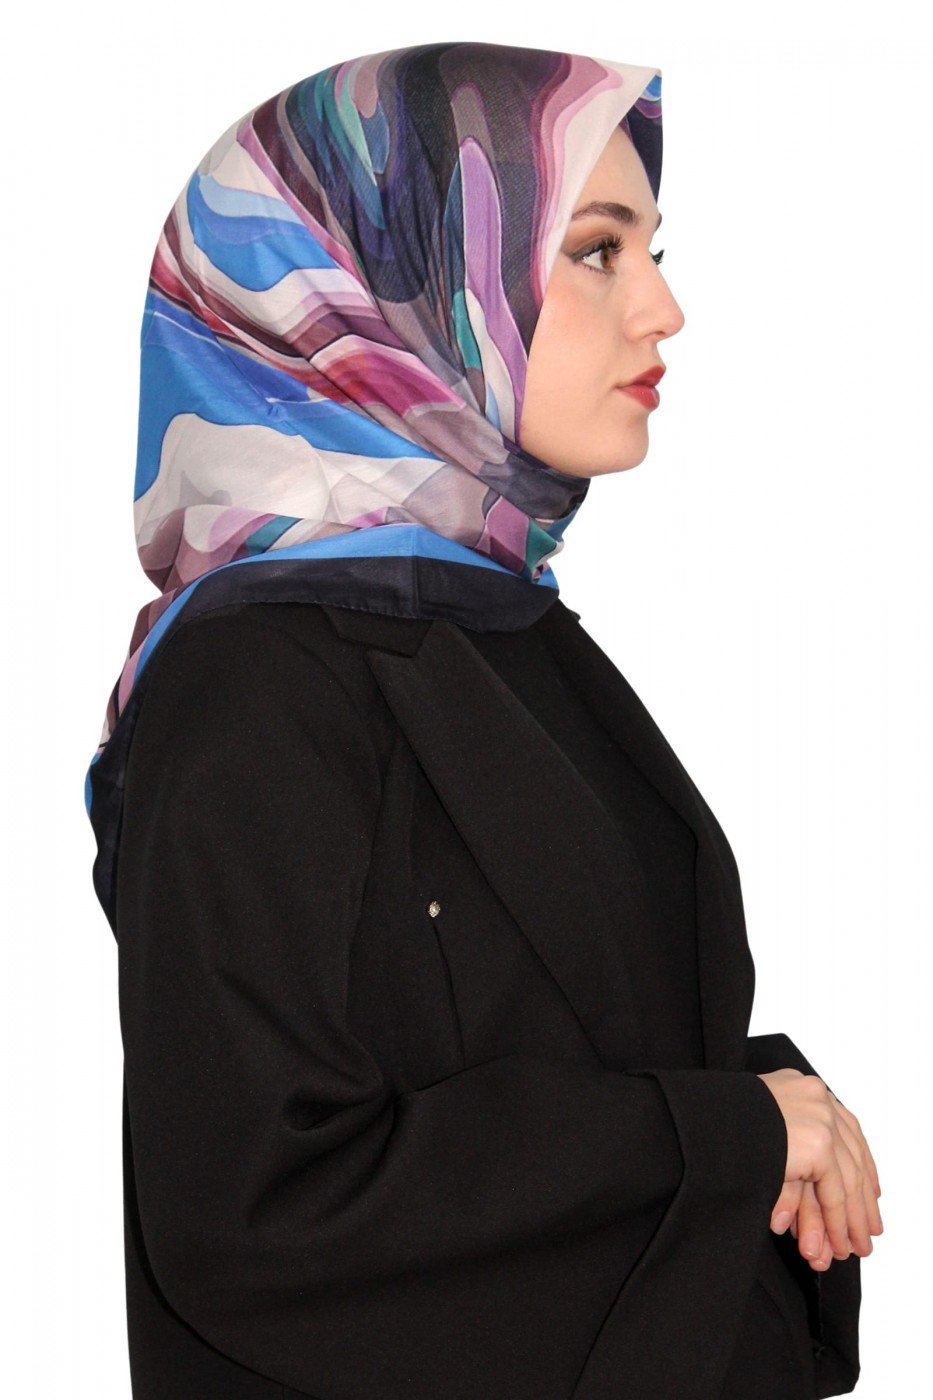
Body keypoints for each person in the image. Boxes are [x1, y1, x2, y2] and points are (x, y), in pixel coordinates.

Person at [84, 40, 881, 1399]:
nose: (664, 309)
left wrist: (770, 1115)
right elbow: (258, 1206)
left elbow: (540, 1038)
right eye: (594, 252)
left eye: (649, 251)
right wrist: (720, 1136)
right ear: (400, 282)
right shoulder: (256, 686)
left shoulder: (503, 631)